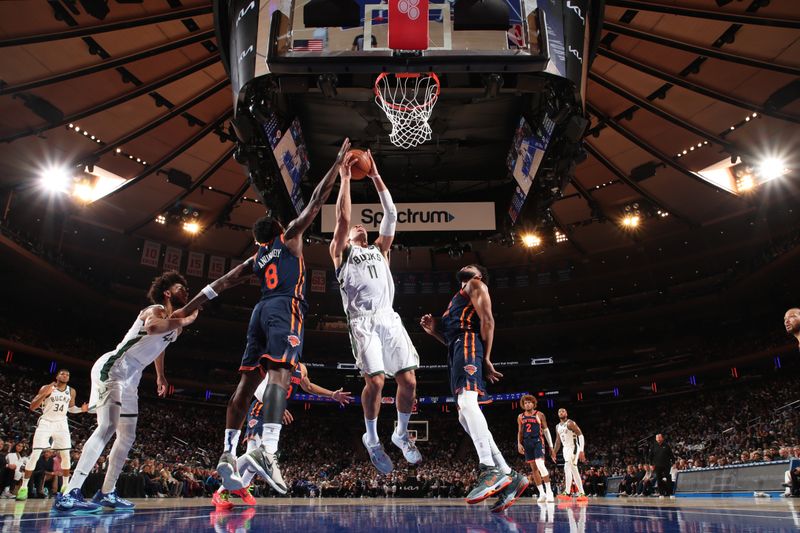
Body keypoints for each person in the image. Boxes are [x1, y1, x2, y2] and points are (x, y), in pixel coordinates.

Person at [174, 138, 352, 495]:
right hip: (285, 307)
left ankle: (227, 451)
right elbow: (317, 201)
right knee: (280, 374)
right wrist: (335, 166)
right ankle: (268, 450)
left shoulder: (255, 259)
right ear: (277, 230)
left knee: (245, 383)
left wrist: (187, 308)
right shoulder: (288, 241)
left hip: (259, 311)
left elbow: (220, 284)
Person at [53, 271, 197, 514]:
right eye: (181, 287)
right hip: (115, 367)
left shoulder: (171, 325)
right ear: (167, 292)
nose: (186, 291)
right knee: (107, 427)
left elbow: (159, 346)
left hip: (133, 377)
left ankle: (107, 492)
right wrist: (184, 321)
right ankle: (70, 493)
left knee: (127, 436)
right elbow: (153, 328)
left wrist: (160, 375)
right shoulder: (156, 309)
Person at [330, 149, 421, 474]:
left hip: (388, 317)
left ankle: (399, 433)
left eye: (361, 226)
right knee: (378, 382)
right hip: (363, 322)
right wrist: (344, 179)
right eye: (355, 227)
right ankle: (372, 439)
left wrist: (376, 176)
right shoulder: (341, 252)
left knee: (408, 381)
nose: (358, 226)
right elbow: (342, 218)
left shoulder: (381, 250)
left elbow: (392, 214)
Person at [421, 265, 528, 513]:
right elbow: (450, 338)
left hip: (468, 344)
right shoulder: (456, 301)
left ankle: (489, 469)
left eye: (471, 266)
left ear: (478, 275)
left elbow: (487, 320)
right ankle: (509, 475)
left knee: (468, 404)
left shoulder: (476, 285)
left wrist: (487, 358)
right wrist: (433, 330)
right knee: (462, 414)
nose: (465, 266)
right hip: (456, 348)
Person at [212, 363, 353, 509]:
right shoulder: (275, 360)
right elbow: (260, 387)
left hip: (274, 411)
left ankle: (239, 485)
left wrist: (332, 394)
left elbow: (309, 387)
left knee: (255, 456)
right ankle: (223, 487)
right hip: (261, 407)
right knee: (255, 455)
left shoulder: (301, 368)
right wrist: (275, 405)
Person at [16, 369, 88, 501]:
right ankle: (24, 487)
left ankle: (66, 486)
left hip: (61, 423)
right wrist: (44, 394)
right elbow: (32, 406)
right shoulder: (47, 387)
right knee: (35, 455)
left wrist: (80, 410)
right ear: (57, 376)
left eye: (68, 374)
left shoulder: (71, 391)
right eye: (63, 374)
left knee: (65, 455)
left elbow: (70, 408)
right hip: (46, 422)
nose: (65, 376)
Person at [516, 395, 555, 502]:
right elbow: (520, 431)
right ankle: (541, 493)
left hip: (537, 441)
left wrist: (551, 447)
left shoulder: (540, 414)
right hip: (527, 443)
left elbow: (546, 431)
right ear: (523, 405)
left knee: (540, 465)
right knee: (534, 469)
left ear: (533, 403)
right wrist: (519, 443)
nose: (527, 404)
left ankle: (549, 492)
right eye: (525, 403)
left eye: (529, 402)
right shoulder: (520, 417)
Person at [553, 407, 587, 501]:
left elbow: (580, 435)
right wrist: (554, 452)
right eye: (559, 411)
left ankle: (567, 493)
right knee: (574, 470)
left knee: (567, 466)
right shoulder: (557, 426)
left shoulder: (570, 423)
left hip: (573, 447)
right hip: (565, 449)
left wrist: (581, 450)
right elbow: (558, 441)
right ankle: (582, 494)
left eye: (563, 411)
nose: (561, 412)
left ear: (566, 413)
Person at [648, 434, 675, 498]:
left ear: (662, 438)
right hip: (657, 465)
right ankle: (661, 493)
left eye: (659, 437)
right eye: (657, 438)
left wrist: (673, 462)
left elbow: (671, 455)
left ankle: (670, 493)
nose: (658, 439)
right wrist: (651, 464)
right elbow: (650, 456)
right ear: (656, 439)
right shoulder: (653, 446)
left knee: (669, 479)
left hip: (666, 465)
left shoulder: (666, 445)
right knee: (659, 479)